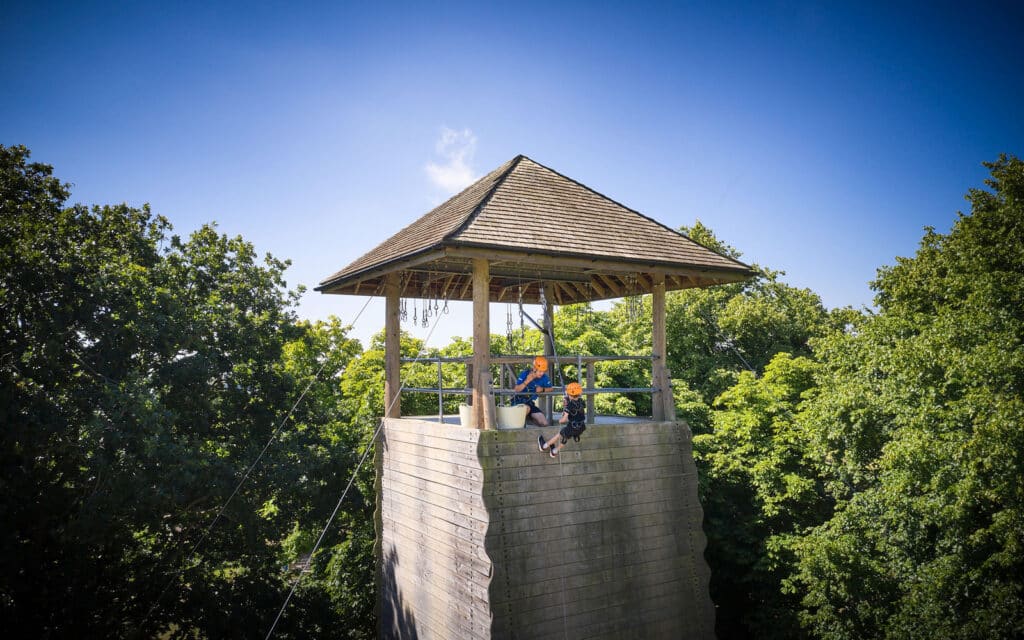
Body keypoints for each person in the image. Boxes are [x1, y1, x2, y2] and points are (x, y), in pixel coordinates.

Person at [538, 382, 586, 458]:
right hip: (581, 427)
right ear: (579, 393)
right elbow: (576, 408)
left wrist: (560, 420)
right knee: (565, 437)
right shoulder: (582, 402)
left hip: (571, 427)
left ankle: (544, 446)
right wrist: (567, 403)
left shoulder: (570, 405)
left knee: (558, 436)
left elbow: (564, 418)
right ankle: (554, 451)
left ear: (569, 394)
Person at [512, 355, 552, 426]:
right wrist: (527, 381)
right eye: (540, 371)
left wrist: (542, 389)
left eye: (543, 371)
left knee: (544, 423)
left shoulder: (544, 377)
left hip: (530, 402)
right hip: (518, 401)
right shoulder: (525, 374)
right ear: (534, 368)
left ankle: (529, 420)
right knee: (526, 408)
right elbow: (517, 389)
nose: (542, 373)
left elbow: (551, 388)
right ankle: (519, 427)